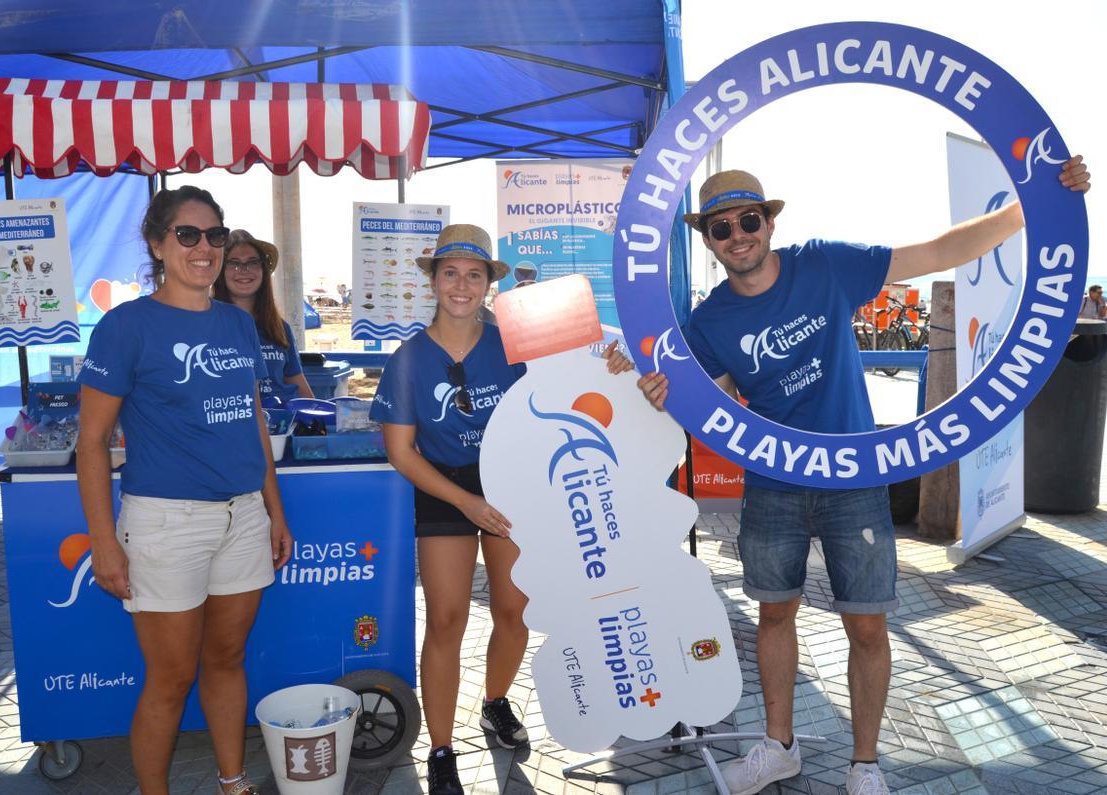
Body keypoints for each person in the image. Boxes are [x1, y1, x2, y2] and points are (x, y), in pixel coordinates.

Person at [624, 159, 1090, 795]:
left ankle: (866, 765)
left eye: (749, 220)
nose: (738, 235)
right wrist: (655, 390)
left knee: (867, 624)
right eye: (720, 226)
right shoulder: (709, 321)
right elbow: (707, 408)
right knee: (773, 615)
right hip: (775, 483)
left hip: (856, 477)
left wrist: (1033, 206)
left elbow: (938, 250)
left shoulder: (825, 265)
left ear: (769, 223)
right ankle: (778, 747)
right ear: (707, 237)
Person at [76, 186, 293, 795]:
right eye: (188, 235)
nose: (204, 248)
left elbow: (252, 422)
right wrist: (103, 540)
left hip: (243, 518)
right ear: (158, 244)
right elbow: (91, 444)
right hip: (166, 524)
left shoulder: (235, 323)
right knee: (170, 680)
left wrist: (274, 512)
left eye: (215, 236)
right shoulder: (125, 327)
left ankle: (233, 782)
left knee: (225, 662)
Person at [370, 223, 529, 795]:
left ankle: (495, 703)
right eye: (450, 273)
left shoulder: (513, 342)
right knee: (446, 620)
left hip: (511, 483)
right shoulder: (408, 358)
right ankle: (440, 748)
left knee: (514, 611)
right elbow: (400, 451)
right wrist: (468, 502)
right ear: (434, 281)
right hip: (444, 488)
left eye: (474, 274)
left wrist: (609, 364)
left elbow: (565, 388)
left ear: (488, 283)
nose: (461, 284)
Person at [213, 230, 316, 405]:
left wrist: (318, 418)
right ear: (221, 271)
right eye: (234, 263)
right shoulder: (208, 325)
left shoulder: (280, 328)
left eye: (252, 263)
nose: (244, 270)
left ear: (263, 270)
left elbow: (299, 384)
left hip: (283, 424)